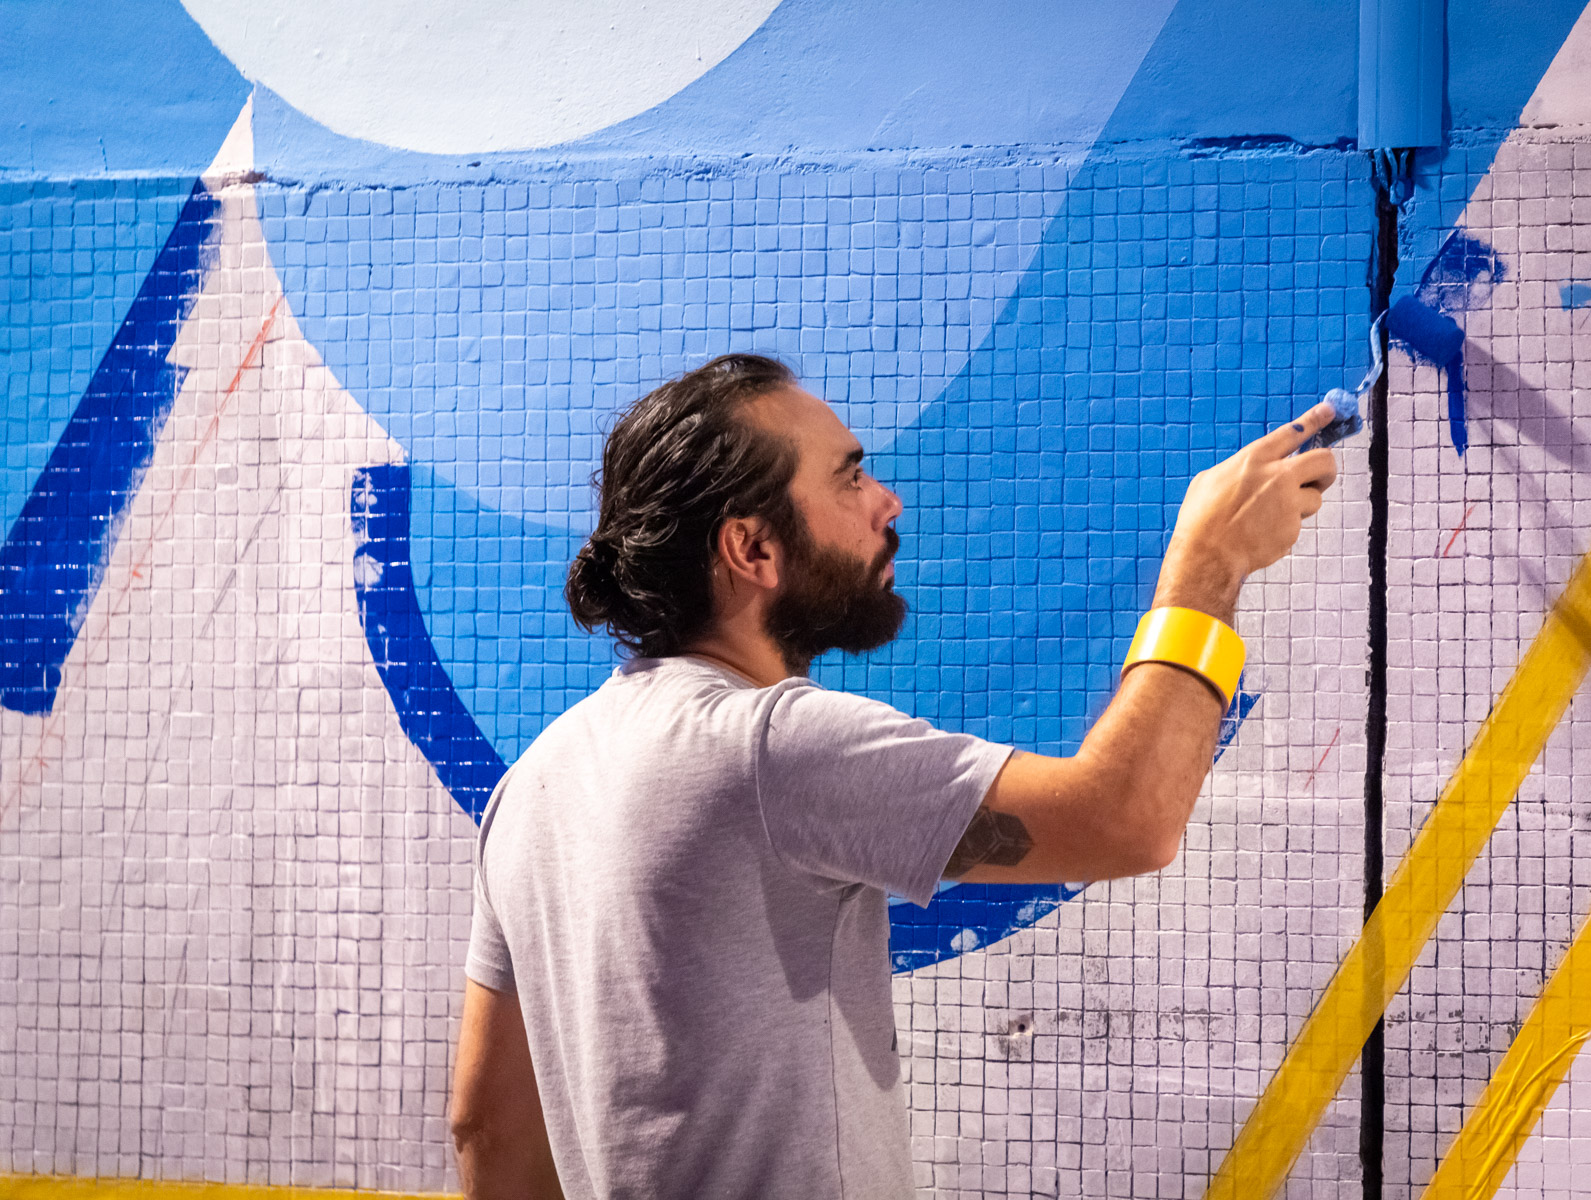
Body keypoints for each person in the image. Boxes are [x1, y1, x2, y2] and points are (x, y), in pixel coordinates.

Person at [448, 353, 1339, 1199]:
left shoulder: (533, 786)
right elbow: (1125, 819)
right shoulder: (767, 748)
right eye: (848, 477)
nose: (887, 501)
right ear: (752, 548)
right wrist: (1208, 568)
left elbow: (488, 1133)